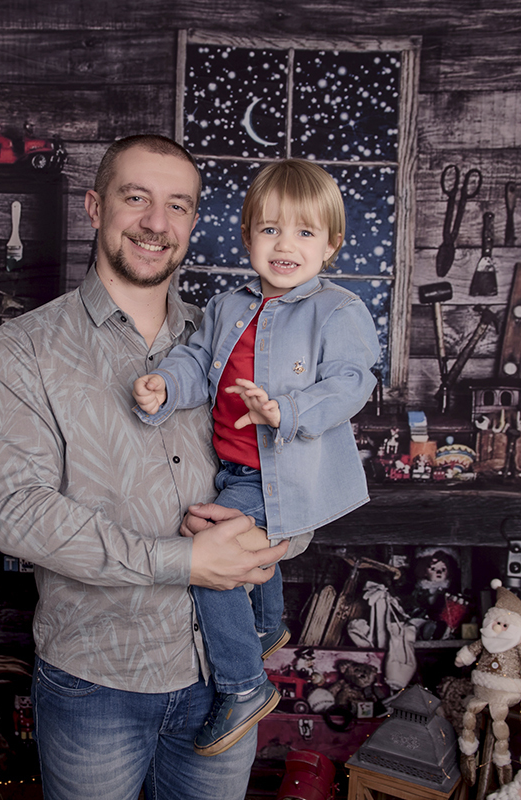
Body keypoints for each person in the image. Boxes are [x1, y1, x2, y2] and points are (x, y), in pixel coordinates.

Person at [0, 134, 290, 800]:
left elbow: (293, 471)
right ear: (94, 207)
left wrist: (276, 535)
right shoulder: (28, 347)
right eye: (136, 198)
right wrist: (186, 562)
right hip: (94, 682)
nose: (156, 222)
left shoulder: (236, 339)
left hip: (222, 679)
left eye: (177, 205)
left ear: (193, 223)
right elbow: (20, 512)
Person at [132, 159, 379, 756]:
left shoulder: (338, 310)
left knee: (210, 563)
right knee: (244, 554)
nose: (284, 246)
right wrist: (165, 384)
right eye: (269, 230)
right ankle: (268, 625)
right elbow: (197, 359)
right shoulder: (226, 306)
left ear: (331, 244)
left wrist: (286, 413)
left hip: (282, 473)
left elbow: (353, 381)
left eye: (303, 233)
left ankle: (243, 686)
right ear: (247, 237)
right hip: (236, 466)